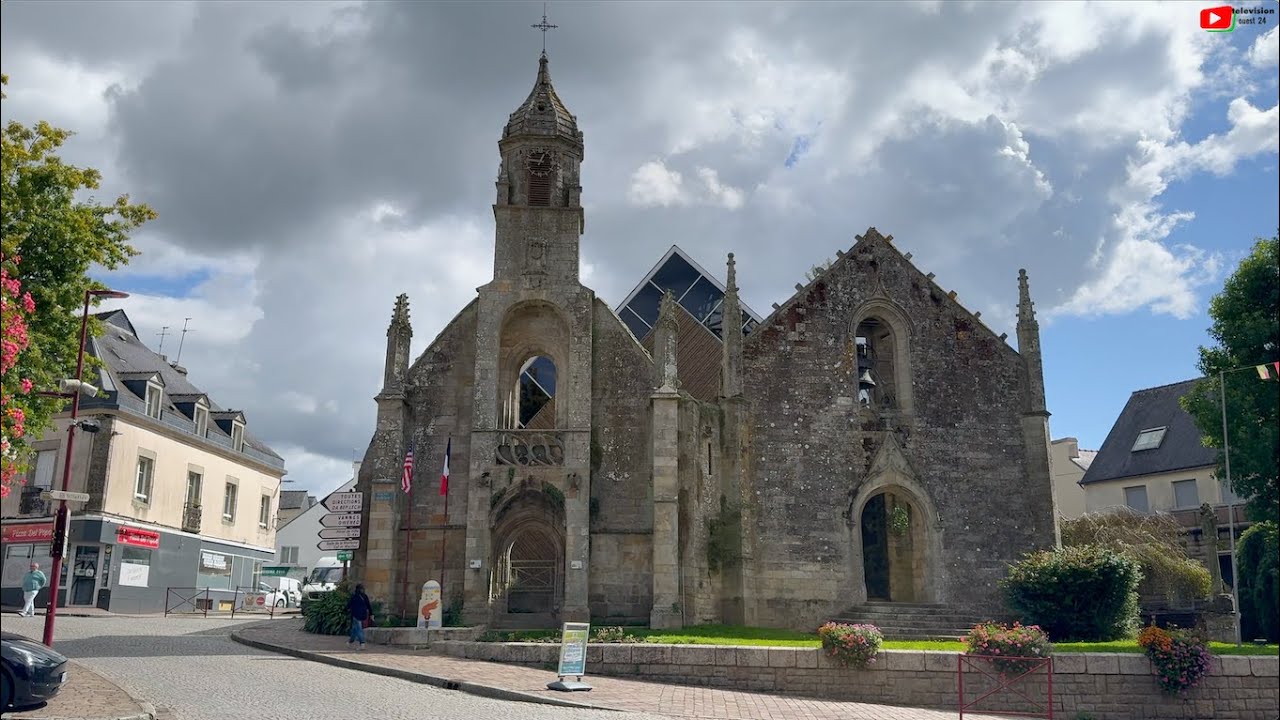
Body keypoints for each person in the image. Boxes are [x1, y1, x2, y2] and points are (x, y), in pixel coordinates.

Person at [347, 583, 373, 649]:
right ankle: (350, 641)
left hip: (356, 615)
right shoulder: (364, 596)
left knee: (358, 629)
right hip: (362, 615)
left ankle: (362, 643)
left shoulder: (354, 596)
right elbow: (368, 606)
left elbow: (349, 605)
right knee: (354, 629)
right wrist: (371, 614)